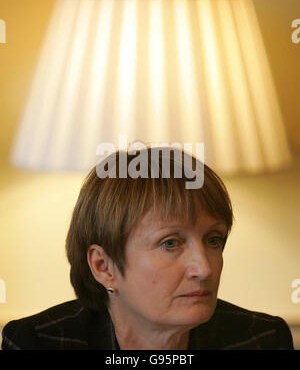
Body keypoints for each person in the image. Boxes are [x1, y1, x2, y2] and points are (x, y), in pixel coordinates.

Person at [1, 146, 294, 350]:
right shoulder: (39, 342)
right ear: (104, 267)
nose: (204, 268)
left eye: (213, 239)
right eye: (170, 243)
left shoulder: (261, 339)